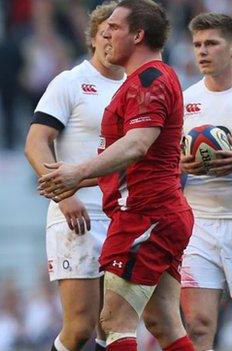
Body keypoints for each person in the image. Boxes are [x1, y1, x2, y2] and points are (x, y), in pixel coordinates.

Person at [38, 1, 195, 350]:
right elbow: (130, 161)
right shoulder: (142, 80)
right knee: (163, 321)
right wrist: (74, 182)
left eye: (114, 27)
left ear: (138, 35)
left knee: (113, 322)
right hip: (160, 213)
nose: (104, 33)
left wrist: (76, 172)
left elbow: (137, 145)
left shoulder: (148, 81)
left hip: (144, 214)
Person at [24, 2, 124, 350]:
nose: (112, 37)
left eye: (118, 31)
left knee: (115, 327)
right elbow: (36, 143)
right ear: (93, 38)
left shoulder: (138, 87)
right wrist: (64, 196)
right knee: (81, 327)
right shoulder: (71, 82)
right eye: (105, 31)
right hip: (80, 215)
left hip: (125, 215)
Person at [179, 12, 232, 351]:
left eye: (211, 43)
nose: (202, 51)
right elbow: (164, 159)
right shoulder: (184, 100)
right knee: (198, 326)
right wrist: (181, 164)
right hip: (198, 222)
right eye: (197, 44)